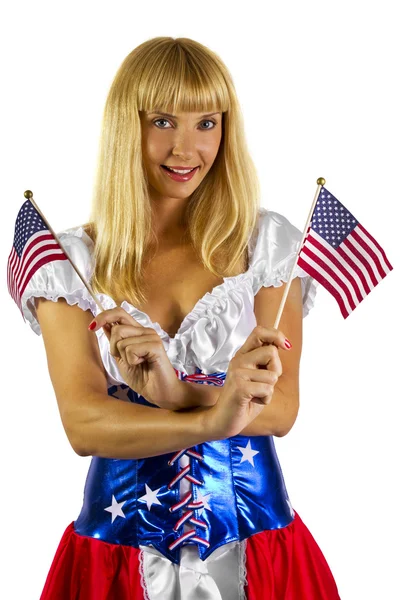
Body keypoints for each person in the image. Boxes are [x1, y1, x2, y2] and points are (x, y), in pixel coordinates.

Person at [18, 37, 341, 599]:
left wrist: (170, 392)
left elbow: (282, 408)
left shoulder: (266, 245)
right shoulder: (69, 261)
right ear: (128, 126)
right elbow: (83, 423)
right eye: (163, 121)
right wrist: (210, 421)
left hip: (255, 548)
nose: (186, 148)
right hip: (118, 552)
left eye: (207, 123)